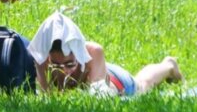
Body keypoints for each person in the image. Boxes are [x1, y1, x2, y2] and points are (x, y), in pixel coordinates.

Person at [27, 12, 183, 96]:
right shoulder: (43, 59)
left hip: (111, 79)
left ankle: (168, 65)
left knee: (141, 86)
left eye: (69, 64)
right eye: (57, 65)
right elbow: (45, 95)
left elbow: (99, 96)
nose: (64, 71)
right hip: (97, 76)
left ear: (78, 56)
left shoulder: (93, 52)